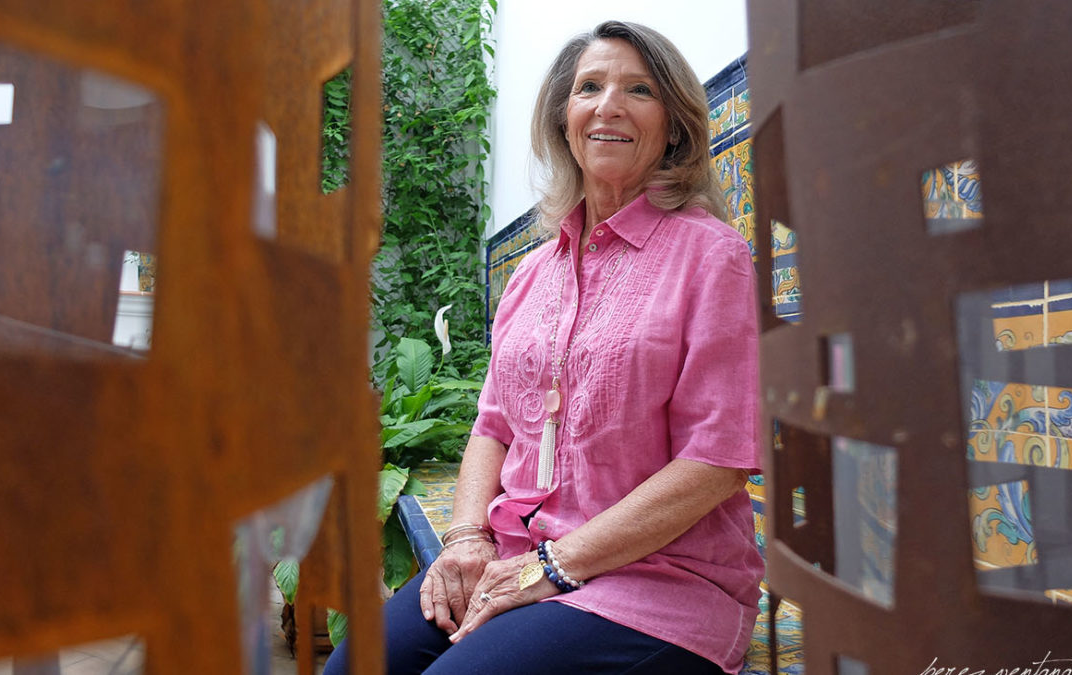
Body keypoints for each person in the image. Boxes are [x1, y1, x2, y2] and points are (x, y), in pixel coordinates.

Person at [325, 19, 763, 675]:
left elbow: (719, 459)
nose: (609, 105)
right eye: (590, 86)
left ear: (673, 125)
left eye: (638, 90)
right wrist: (469, 539)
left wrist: (552, 566)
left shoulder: (711, 255)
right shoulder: (533, 273)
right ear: (564, 118)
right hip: (516, 555)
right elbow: (493, 425)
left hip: (659, 583)